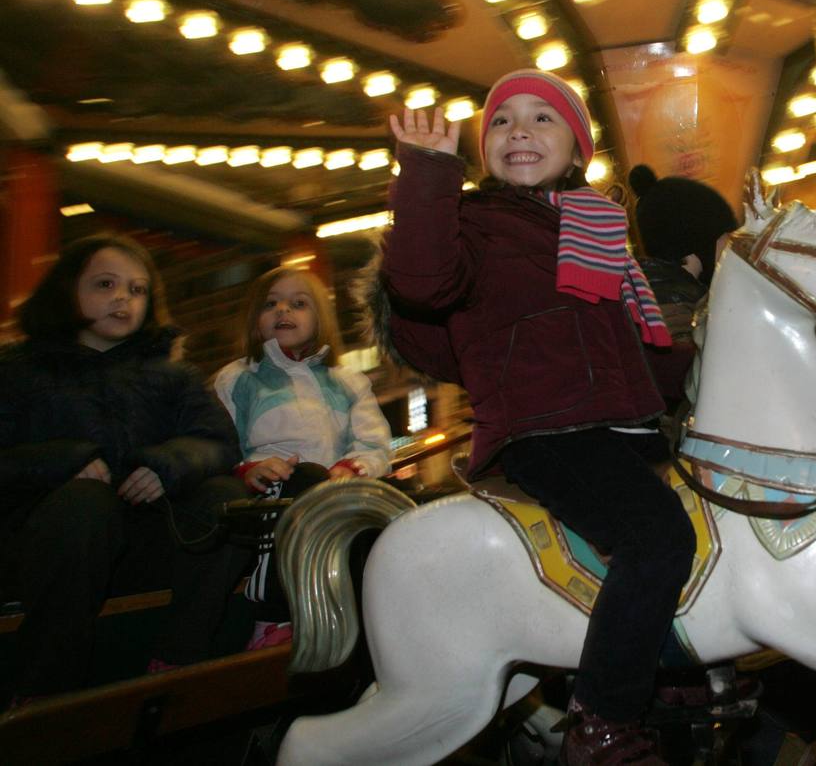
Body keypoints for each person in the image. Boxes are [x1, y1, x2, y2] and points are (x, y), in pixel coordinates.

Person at [378, 69, 696, 766]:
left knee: (710, 521)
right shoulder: (473, 224)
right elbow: (422, 282)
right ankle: (604, 717)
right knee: (657, 535)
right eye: (501, 121)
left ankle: (676, 675)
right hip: (539, 425)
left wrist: (701, 365)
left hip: (620, 424)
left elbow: (638, 346)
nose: (519, 129)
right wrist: (429, 174)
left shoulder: (598, 226)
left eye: (542, 118)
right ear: (483, 149)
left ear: (578, 148)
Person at [0, 235, 248, 703]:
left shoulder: (172, 376)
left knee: (225, 501)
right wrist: (62, 463)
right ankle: (44, 692)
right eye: (106, 284)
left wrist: (167, 466)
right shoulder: (18, 371)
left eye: (137, 290)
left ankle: (178, 658)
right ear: (67, 290)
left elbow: (218, 443)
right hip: (47, 546)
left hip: (140, 539)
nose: (123, 298)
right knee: (85, 504)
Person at [214, 266, 392, 651]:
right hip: (272, 493)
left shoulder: (346, 380)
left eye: (298, 303)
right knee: (305, 481)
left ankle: (377, 613)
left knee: (387, 507)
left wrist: (352, 468)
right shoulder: (237, 378)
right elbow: (221, 442)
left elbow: (375, 443)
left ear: (320, 318)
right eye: (271, 304)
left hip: (334, 491)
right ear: (255, 318)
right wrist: (248, 469)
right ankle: (272, 617)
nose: (283, 311)